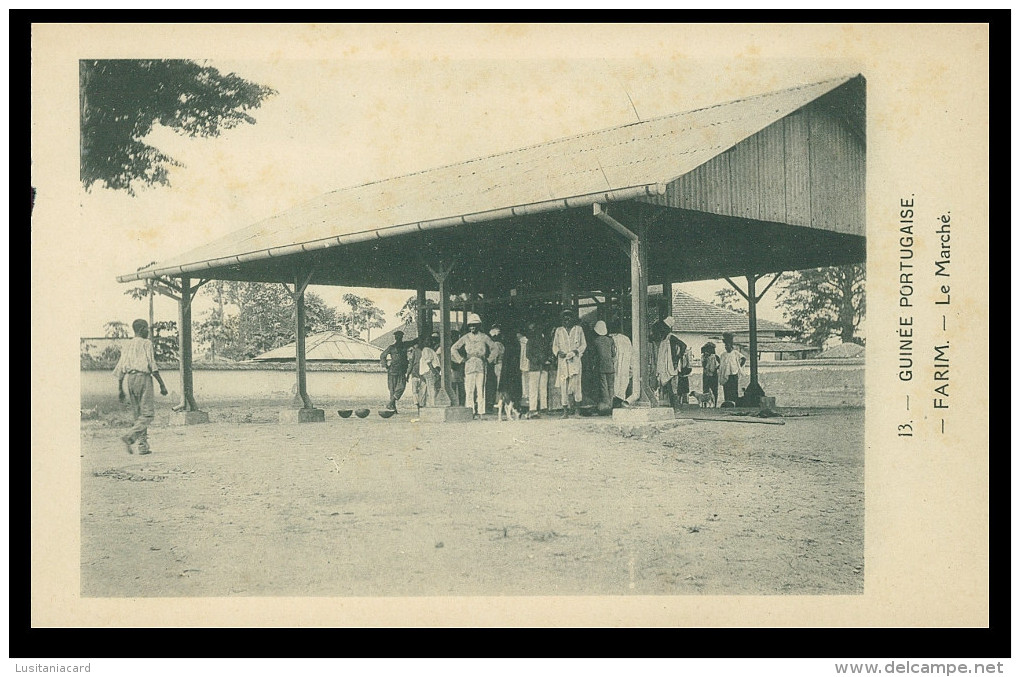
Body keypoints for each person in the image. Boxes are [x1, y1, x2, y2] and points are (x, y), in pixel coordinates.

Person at [113, 318, 169, 455]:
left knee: (138, 415)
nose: (148, 332)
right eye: (147, 329)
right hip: (143, 378)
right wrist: (162, 385)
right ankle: (130, 436)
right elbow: (152, 365)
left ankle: (143, 446)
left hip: (130, 380)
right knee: (148, 414)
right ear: (141, 329)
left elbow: (120, 367)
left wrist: (120, 389)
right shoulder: (146, 343)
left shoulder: (127, 345)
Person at [451, 313, 498, 417]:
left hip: (481, 366)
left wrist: (488, 359)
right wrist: (461, 359)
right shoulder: (466, 337)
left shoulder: (484, 337)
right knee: (469, 389)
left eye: (475, 325)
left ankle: (481, 412)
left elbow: (495, 348)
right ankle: (470, 411)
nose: (472, 327)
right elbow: (454, 348)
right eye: (471, 325)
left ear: (478, 326)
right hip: (469, 366)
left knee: (480, 389)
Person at [552, 308, 586, 417]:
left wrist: (576, 351)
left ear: (573, 319)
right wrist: (558, 352)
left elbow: (583, 345)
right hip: (563, 362)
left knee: (576, 385)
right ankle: (565, 411)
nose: (567, 320)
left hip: (575, 361)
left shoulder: (578, 330)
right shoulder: (559, 331)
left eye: (569, 318)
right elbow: (555, 346)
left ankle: (577, 411)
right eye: (564, 318)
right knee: (563, 385)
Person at [654, 318, 692, 411]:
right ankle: (673, 407)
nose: (662, 329)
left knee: (673, 387)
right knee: (667, 386)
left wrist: (676, 358)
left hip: (672, 365)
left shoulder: (671, 337)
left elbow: (683, 346)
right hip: (665, 365)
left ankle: (676, 408)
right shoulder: (663, 338)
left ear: (668, 328)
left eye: (664, 327)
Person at [519, 321, 551, 418]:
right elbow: (528, 354)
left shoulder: (544, 340)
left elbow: (549, 352)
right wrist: (539, 361)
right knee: (533, 389)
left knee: (543, 389)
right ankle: (533, 409)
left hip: (543, 367)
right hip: (535, 367)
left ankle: (543, 408)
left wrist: (547, 360)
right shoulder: (531, 340)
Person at [380, 330, 411, 412]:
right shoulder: (391, 347)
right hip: (393, 370)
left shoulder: (405, 345)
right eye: (397, 337)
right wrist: (386, 366)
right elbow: (383, 356)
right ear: (395, 338)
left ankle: (390, 403)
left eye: (400, 337)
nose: (398, 338)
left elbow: (414, 341)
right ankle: (393, 408)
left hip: (401, 370)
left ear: (402, 337)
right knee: (392, 389)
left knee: (401, 387)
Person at [591, 320, 617, 414]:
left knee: (603, 387)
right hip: (610, 366)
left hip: (601, 367)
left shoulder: (596, 341)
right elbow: (613, 354)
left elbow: (594, 355)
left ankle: (606, 406)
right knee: (611, 386)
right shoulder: (610, 340)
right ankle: (611, 405)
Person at [718, 332, 747, 404]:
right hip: (726, 374)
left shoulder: (735, 353)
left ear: (731, 346)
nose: (726, 347)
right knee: (726, 389)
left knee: (733, 389)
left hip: (734, 374)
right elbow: (721, 364)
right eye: (725, 346)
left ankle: (734, 403)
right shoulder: (723, 355)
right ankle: (727, 402)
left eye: (727, 346)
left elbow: (743, 358)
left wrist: (738, 367)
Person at [609, 325, 633, 407]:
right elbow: (631, 356)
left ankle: (615, 402)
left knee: (615, 381)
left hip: (614, 365)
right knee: (623, 381)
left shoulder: (612, 339)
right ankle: (620, 400)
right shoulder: (626, 339)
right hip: (625, 366)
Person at [485, 325, 506, 411]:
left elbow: (495, 356)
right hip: (499, 365)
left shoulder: (496, 344)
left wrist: (489, 361)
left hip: (497, 365)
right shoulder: (501, 344)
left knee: (498, 384)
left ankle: (498, 403)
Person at [419, 332, 442, 407]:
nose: (430, 342)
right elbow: (428, 362)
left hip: (430, 371)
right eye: (428, 340)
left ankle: (431, 404)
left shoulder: (430, 349)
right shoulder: (426, 349)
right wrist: (434, 371)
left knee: (431, 388)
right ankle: (432, 405)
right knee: (431, 389)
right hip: (430, 371)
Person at [449, 328, 466, 406]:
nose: (454, 338)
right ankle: (453, 403)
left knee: (460, 387)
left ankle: (461, 403)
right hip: (452, 368)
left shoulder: (461, 347)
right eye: (452, 336)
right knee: (453, 387)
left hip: (459, 368)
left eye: (455, 336)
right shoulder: (449, 346)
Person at [700, 341, 720, 407]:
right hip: (706, 375)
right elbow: (703, 365)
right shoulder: (703, 357)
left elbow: (721, 364)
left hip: (714, 375)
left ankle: (715, 404)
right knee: (705, 390)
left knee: (715, 390)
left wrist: (716, 368)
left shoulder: (715, 357)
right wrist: (706, 358)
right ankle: (705, 404)